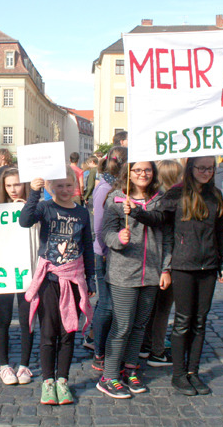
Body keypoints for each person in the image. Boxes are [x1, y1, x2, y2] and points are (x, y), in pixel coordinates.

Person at [130, 156, 223, 397]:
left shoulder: (215, 194)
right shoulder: (176, 193)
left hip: (209, 265)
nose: (205, 172)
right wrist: (136, 212)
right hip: (183, 265)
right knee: (183, 321)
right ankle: (179, 374)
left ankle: (193, 372)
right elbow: (159, 219)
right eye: (201, 167)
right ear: (190, 168)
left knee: (200, 321)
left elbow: (219, 232)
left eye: (209, 168)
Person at [20, 167, 95, 405]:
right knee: (49, 332)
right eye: (59, 186)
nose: (64, 190)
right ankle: (47, 382)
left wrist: (91, 277)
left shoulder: (82, 213)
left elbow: (87, 247)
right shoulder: (45, 208)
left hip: (73, 279)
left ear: (75, 186)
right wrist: (34, 193)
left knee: (68, 332)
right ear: (52, 188)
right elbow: (25, 221)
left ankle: (63, 381)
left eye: (68, 185)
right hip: (50, 280)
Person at [96, 161, 170, 399]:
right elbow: (104, 233)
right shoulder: (116, 199)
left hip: (151, 272)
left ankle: (130, 368)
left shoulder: (161, 199)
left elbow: (167, 236)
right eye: (137, 170)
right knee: (123, 325)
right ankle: (109, 376)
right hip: (123, 273)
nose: (142, 174)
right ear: (128, 173)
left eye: (147, 170)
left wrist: (166, 269)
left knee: (139, 325)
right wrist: (118, 237)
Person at [0, 168, 35, 385]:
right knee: (3, 318)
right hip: (3, 271)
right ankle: (4, 365)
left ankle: (25, 365)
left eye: (17, 184)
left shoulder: (34, 207)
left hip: (27, 270)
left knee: (27, 318)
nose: (12, 189)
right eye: (8, 185)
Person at [88, 146, 127, 371]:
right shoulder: (105, 188)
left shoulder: (116, 186)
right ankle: (99, 350)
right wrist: (103, 253)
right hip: (103, 252)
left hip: (114, 252)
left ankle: (98, 340)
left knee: (111, 303)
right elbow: (99, 227)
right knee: (107, 304)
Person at [141, 159, 182, 366]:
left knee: (152, 308)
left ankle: (145, 345)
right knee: (163, 309)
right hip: (168, 261)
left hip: (154, 259)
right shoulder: (170, 201)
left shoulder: (155, 199)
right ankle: (157, 350)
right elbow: (170, 236)